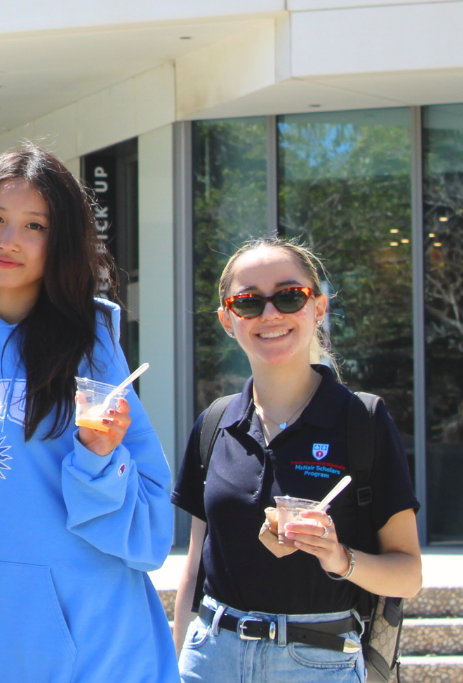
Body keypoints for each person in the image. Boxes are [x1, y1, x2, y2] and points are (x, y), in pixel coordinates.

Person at [0, 143, 175, 683]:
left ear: (62, 242)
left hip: (91, 651)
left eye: (35, 226)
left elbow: (150, 530)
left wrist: (100, 459)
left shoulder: (92, 345)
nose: (8, 241)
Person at [170, 237, 422, 682]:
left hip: (318, 662)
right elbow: (195, 569)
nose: (270, 315)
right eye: (248, 303)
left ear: (318, 308)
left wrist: (339, 558)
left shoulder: (361, 420)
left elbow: (408, 575)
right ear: (228, 320)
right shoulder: (214, 423)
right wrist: (172, 668)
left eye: (289, 296)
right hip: (211, 658)